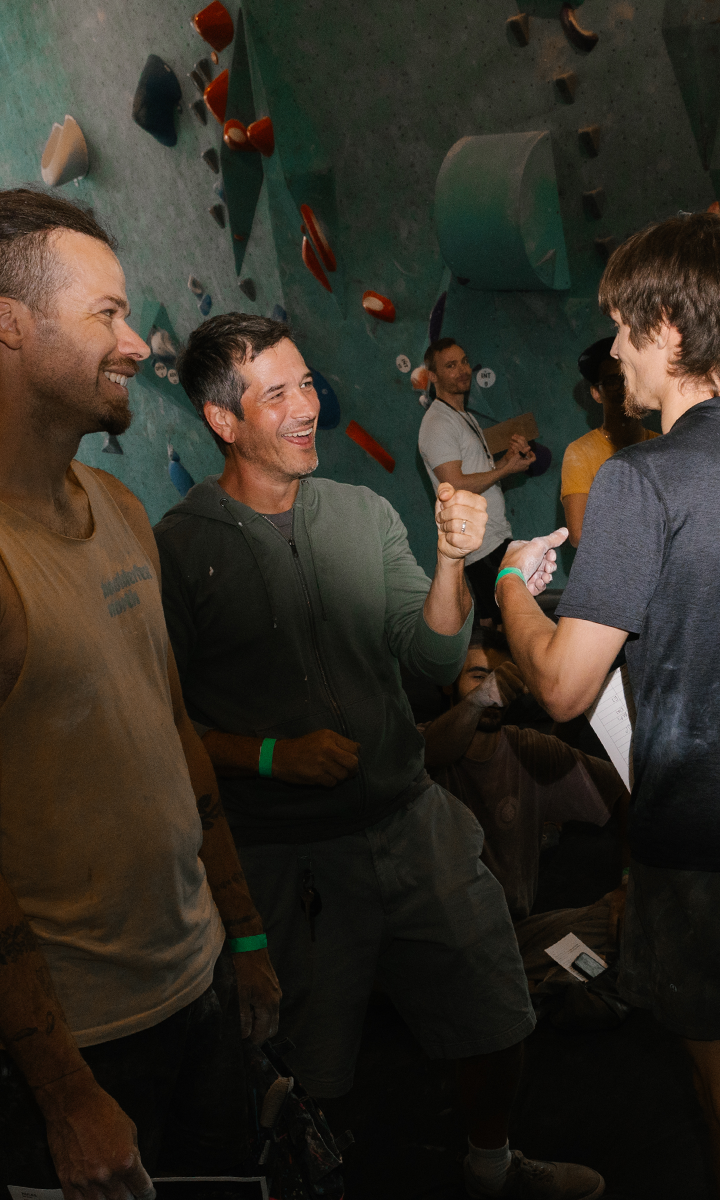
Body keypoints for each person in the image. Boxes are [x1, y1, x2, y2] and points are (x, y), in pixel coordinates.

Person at [155, 313, 605, 1200]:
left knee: (496, 1012)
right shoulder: (179, 549)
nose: (305, 408)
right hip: (291, 858)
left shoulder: (358, 512)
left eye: (308, 384)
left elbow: (433, 659)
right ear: (221, 420)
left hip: (412, 824)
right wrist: (272, 754)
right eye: (276, 394)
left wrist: (449, 559)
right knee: (310, 1068)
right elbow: (160, 726)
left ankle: (492, 1165)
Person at [0, 189, 280, 1193]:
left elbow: (174, 738)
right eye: (105, 314)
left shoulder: (118, 507)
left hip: (198, 983)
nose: (135, 343)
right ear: (10, 322)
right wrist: (63, 1090)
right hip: (77, 1048)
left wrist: (242, 932)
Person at [493, 212, 720, 1193]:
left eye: (625, 326)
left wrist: (511, 582)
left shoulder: (640, 481)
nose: (615, 350)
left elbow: (561, 685)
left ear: (668, 327)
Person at [421, 627, 630, 1023]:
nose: (493, 687)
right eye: (480, 675)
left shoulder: (528, 750)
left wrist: (627, 878)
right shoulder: (421, 747)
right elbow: (426, 752)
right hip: (442, 947)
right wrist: (480, 700)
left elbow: (626, 789)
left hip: (516, 939)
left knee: (633, 916)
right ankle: (534, 993)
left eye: (503, 678)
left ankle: (530, 991)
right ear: (451, 685)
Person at [418, 338, 536, 622]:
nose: (463, 370)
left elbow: (475, 471)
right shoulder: (437, 424)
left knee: (512, 622)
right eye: (450, 365)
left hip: (494, 535)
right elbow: (456, 484)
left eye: (464, 361)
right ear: (433, 376)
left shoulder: (461, 416)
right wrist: (504, 471)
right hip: (479, 545)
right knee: (505, 626)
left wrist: (509, 461)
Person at [561, 336, 658, 546]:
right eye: (613, 381)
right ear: (597, 393)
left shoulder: (661, 445)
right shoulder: (580, 452)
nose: (624, 387)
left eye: (629, 377)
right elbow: (578, 535)